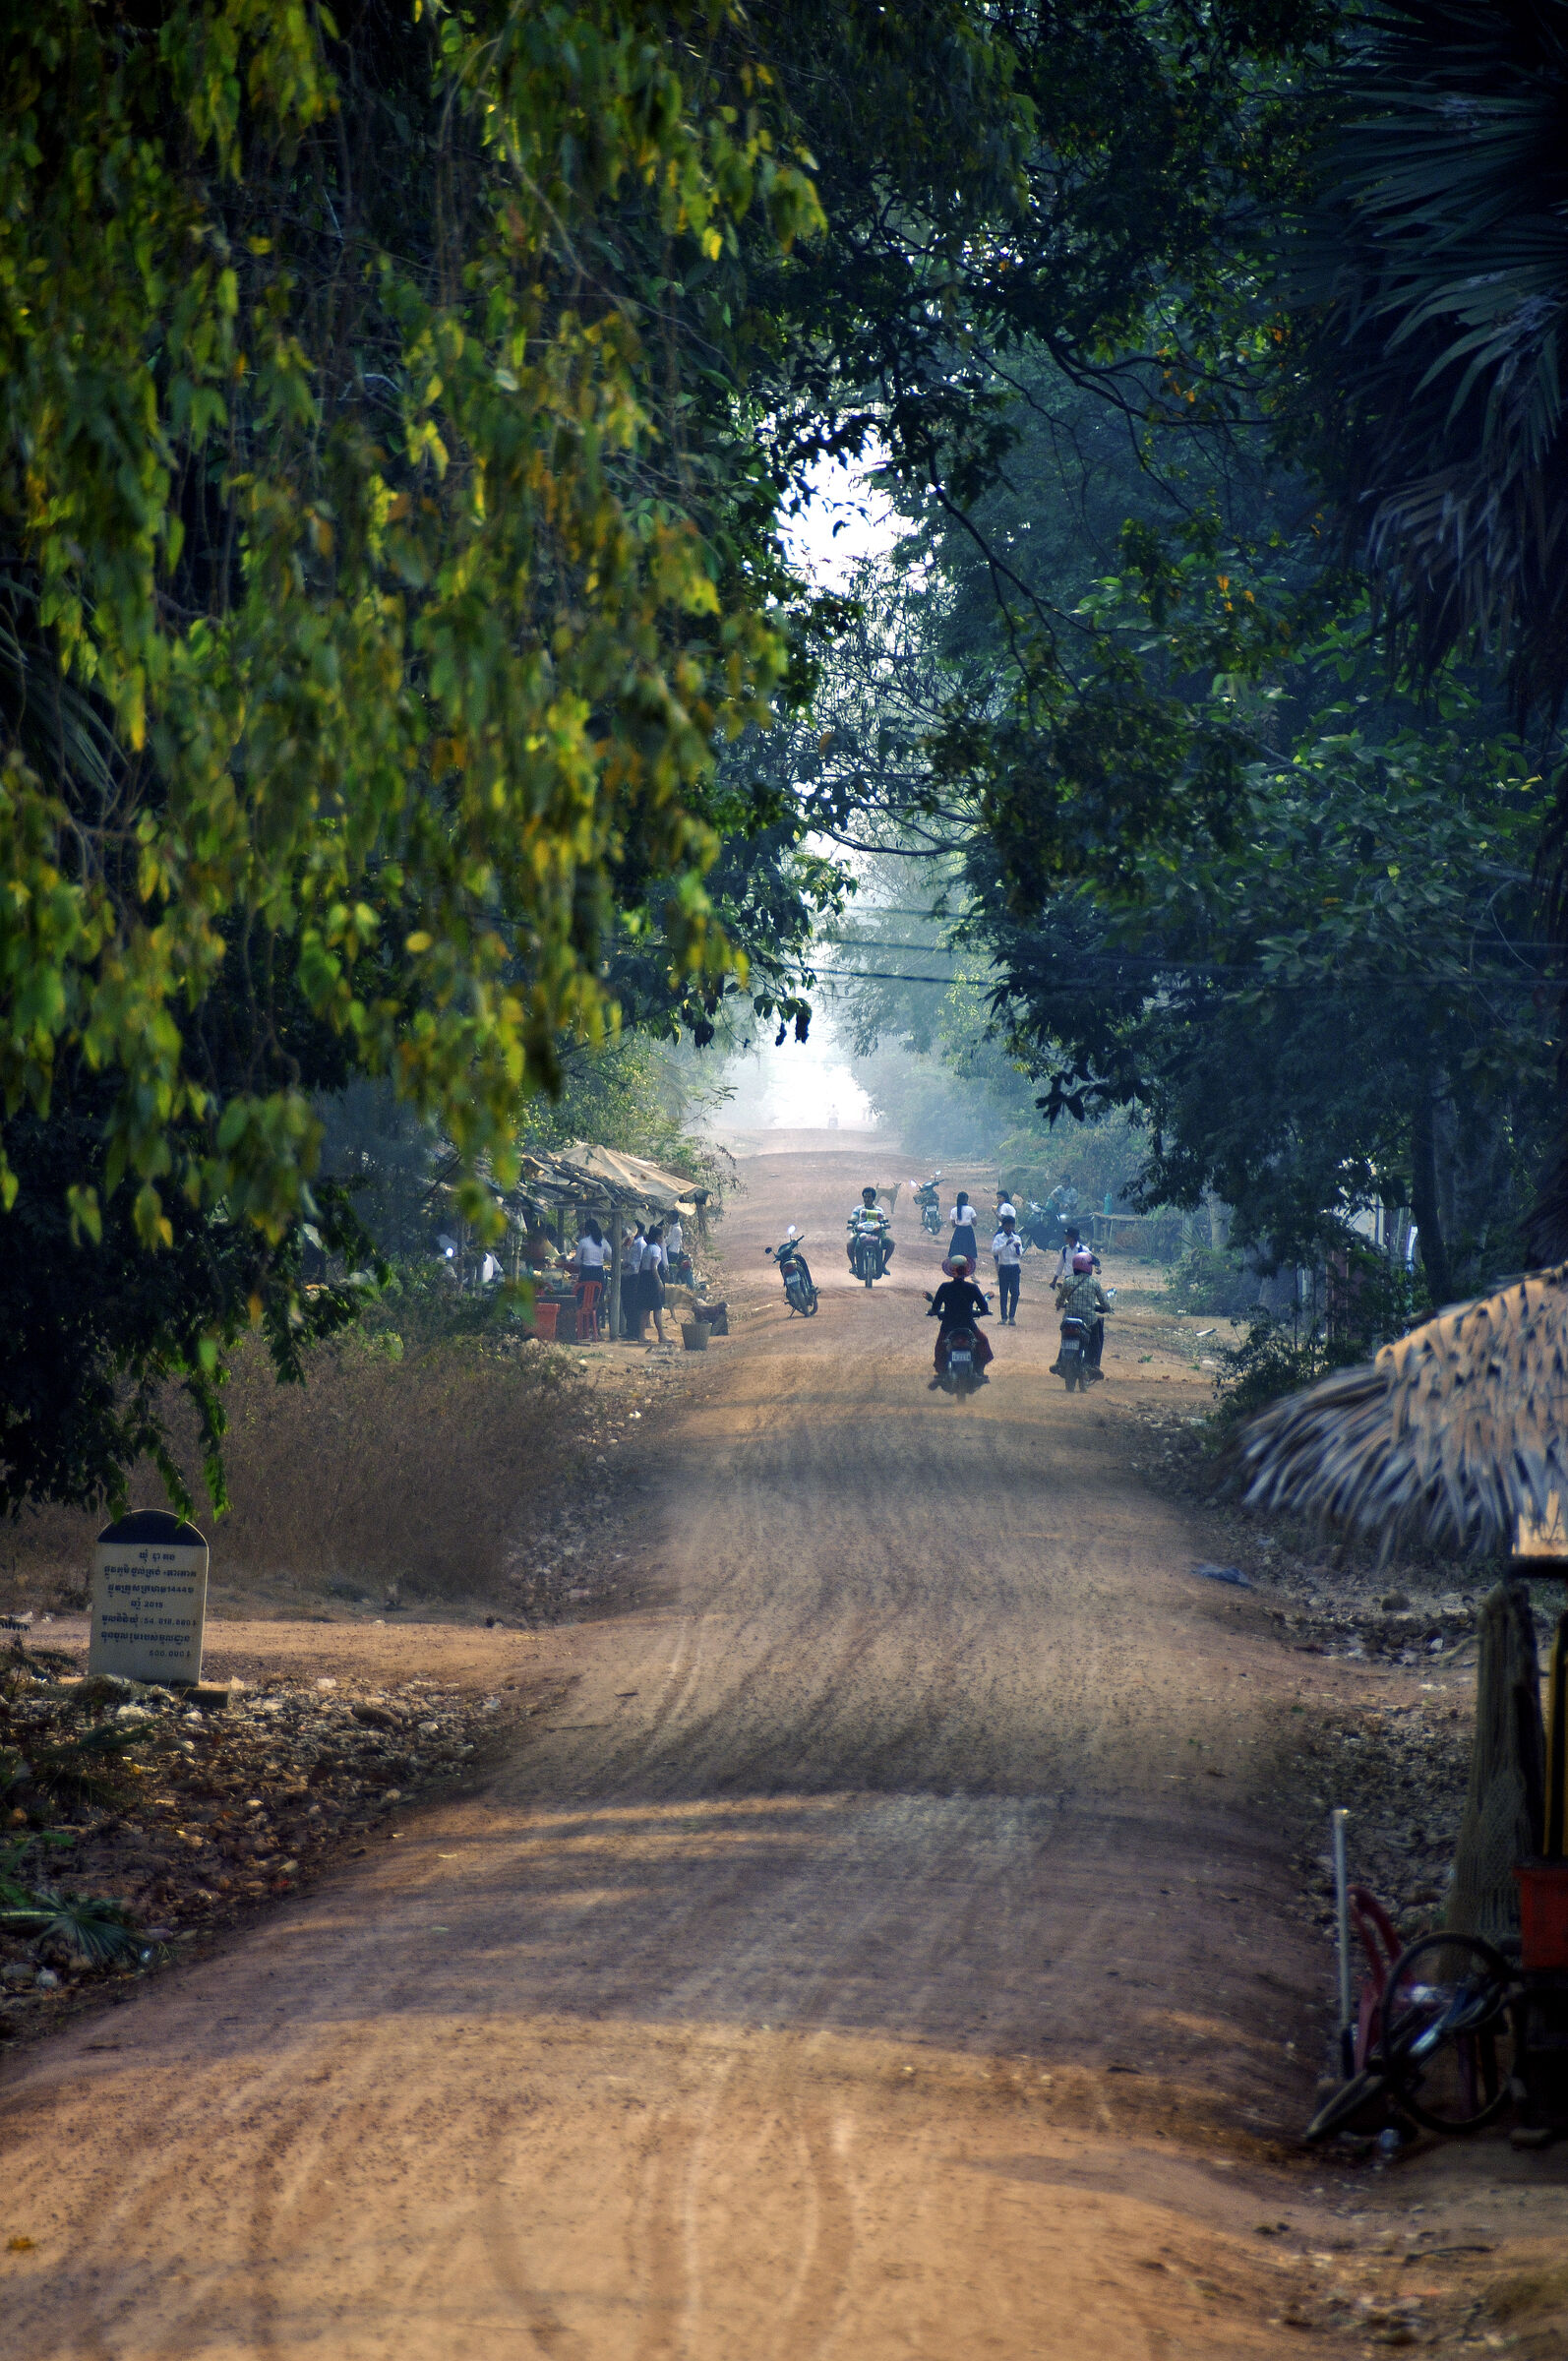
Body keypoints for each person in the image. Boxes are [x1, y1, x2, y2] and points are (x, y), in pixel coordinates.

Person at [926, 1253, 994, 1388]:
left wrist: (933, 1312)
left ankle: (941, 1374)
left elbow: (935, 1308)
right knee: (983, 1341)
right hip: (968, 1325)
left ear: (951, 1271)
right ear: (967, 1271)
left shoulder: (945, 1287)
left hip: (948, 1326)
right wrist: (984, 1312)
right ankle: (980, 1370)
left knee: (939, 1348)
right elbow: (984, 1307)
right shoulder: (972, 1288)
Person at [1053, 1247, 1112, 1380]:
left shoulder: (1068, 1281)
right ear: (1087, 1267)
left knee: (1064, 1339)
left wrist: (1058, 1305)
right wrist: (1108, 1309)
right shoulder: (1094, 1283)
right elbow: (1103, 1301)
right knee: (1096, 1338)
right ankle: (1094, 1365)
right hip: (1088, 1319)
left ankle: (1059, 1361)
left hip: (1070, 1318)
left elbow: (1060, 1300)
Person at [846, 1185, 894, 1275]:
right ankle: (853, 1266)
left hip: (878, 1234)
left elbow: (883, 1219)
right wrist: (851, 1224)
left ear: (873, 1198)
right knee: (850, 1244)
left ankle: (883, 1265)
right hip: (860, 1233)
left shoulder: (879, 1210)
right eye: (865, 1197)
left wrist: (886, 1224)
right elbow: (853, 1218)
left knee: (891, 1243)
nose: (867, 1199)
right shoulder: (858, 1209)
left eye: (869, 1197)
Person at [573, 1217, 606, 1341]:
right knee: (596, 1302)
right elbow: (611, 1254)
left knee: (583, 1301)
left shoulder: (583, 1242)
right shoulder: (602, 1241)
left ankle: (582, 1329)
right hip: (599, 1274)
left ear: (586, 1230)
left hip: (586, 1273)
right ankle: (596, 1329)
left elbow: (577, 1262)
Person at [991, 1208, 1023, 1325]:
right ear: (1003, 1226)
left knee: (1015, 1292)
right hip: (1003, 1267)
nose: (1010, 1228)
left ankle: (1012, 1316)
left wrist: (1018, 1247)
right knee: (1003, 1293)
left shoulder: (1017, 1238)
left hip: (1014, 1267)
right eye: (1007, 1226)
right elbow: (994, 1251)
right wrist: (1005, 1244)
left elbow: (1019, 1255)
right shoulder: (999, 1237)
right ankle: (1004, 1317)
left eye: (1012, 1226)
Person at [640, 1222, 669, 1346]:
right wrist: (659, 1281)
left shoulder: (646, 1248)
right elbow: (654, 1267)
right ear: (658, 1238)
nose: (663, 1239)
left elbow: (642, 1266)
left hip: (644, 1278)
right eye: (662, 1237)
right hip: (652, 1278)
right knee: (657, 1308)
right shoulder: (656, 1249)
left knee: (645, 1309)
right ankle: (661, 1335)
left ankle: (641, 1335)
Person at [947, 1189, 979, 1267]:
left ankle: (954, 1268)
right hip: (968, 1231)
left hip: (958, 1231)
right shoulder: (970, 1209)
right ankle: (972, 1272)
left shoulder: (954, 1210)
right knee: (970, 1251)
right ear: (966, 1199)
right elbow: (975, 1223)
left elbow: (953, 1225)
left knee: (956, 1251)